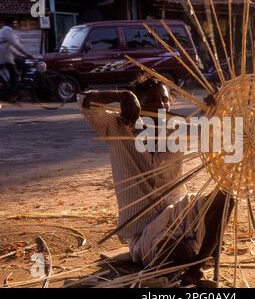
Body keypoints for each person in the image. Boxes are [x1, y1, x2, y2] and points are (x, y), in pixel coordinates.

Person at [79, 76, 234, 287]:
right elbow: (87, 104)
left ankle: (194, 268)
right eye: (151, 99)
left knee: (225, 198)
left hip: (179, 213)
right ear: (137, 102)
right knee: (175, 249)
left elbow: (215, 127)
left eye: (164, 99)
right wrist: (120, 95)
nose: (160, 105)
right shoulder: (116, 127)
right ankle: (196, 261)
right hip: (144, 233)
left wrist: (218, 107)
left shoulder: (176, 128)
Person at [0, 17, 34, 99]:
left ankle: (13, 90)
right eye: (14, 23)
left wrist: (20, 55)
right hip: (4, 57)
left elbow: (10, 47)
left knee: (20, 63)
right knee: (15, 75)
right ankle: (11, 95)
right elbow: (16, 44)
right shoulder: (7, 30)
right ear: (10, 23)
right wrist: (27, 54)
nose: (16, 24)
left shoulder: (3, 31)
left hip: (1, 56)